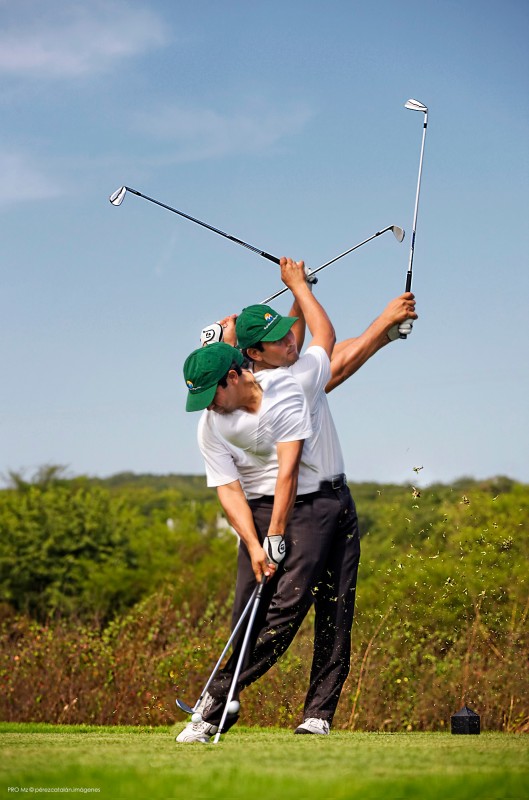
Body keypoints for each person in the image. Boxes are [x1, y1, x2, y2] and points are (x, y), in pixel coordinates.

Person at [178, 338, 349, 743]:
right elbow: (228, 490)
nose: (208, 406)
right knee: (246, 614)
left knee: (315, 606)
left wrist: (275, 535)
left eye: (211, 394)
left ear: (234, 377)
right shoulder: (210, 425)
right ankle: (217, 710)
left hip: (316, 502)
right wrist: (256, 546)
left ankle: (315, 714)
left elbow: (288, 472)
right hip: (260, 507)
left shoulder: (284, 391)